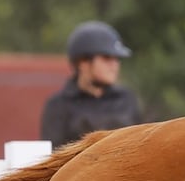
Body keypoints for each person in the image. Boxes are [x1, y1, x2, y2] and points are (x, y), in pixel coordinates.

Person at [40, 20, 146, 148]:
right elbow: (54, 157)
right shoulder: (58, 105)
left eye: (117, 59)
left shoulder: (127, 99)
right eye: (106, 58)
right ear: (83, 62)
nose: (114, 66)